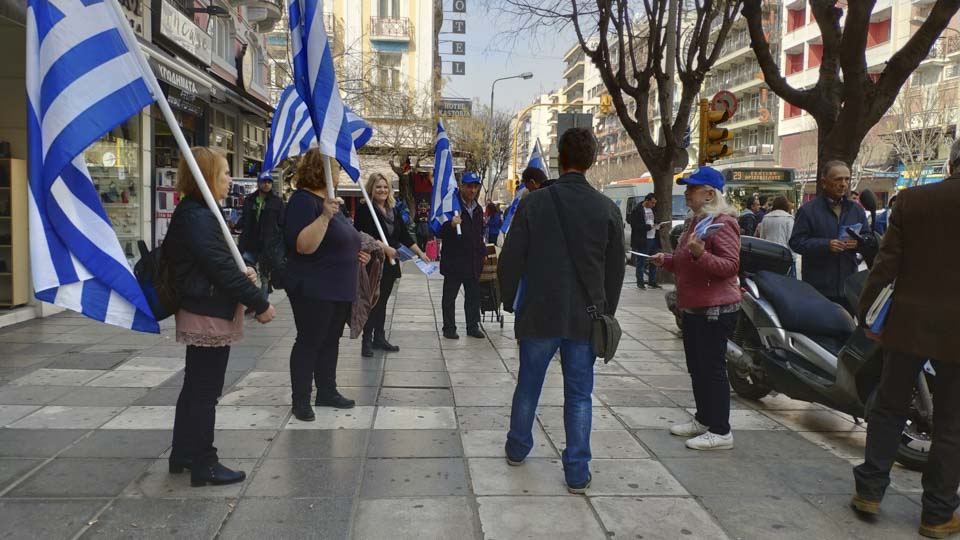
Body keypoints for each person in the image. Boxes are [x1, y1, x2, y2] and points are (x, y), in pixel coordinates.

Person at [499, 127, 625, 494]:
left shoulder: (533, 203)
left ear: (559, 157)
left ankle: (518, 447)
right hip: (585, 317)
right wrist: (606, 312)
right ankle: (576, 470)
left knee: (528, 385)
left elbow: (511, 259)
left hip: (539, 312)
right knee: (579, 394)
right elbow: (615, 271)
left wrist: (509, 301)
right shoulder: (607, 209)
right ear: (593, 160)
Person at [850, 140, 960, 538]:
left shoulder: (912, 201)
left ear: (951, 164)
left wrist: (866, 312)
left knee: (889, 407)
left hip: (907, 326)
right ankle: (938, 513)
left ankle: (870, 491)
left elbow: (884, 266)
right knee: (952, 423)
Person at [165, 147, 276, 487]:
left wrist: (246, 271)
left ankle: (183, 453)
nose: (230, 179)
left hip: (205, 308)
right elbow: (220, 270)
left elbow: (222, 263)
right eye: (225, 172)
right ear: (207, 176)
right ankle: (204, 463)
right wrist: (259, 302)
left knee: (195, 386)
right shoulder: (198, 215)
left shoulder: (199, 212)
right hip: (206, 312)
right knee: (205, 391)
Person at [651, 166, 741, 451]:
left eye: (693, 188)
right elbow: (684, 260)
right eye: (687, 187)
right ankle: (704, 419)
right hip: (692, 307)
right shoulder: (694, 223)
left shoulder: (722, 223)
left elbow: (730, 266)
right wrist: (666, 259)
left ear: (710, 194)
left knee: (712, 369)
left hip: (715, 309)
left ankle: (721, 430)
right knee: (697, 368)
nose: (687, 192)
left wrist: (701, 255)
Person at [283, 148, 372, 421]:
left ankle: (326, 390)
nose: (338, 172)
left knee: (330, 340)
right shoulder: (304, 201)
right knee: (310, 340)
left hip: (338, 286)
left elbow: (343, 238)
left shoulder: (333, 202)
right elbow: (303, 245)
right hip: (314, 287)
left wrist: (356, 252)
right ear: (321, 170)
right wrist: (324, 216)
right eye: (335, 168)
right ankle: (301, 399)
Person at [354, 172, 431, 357]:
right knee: (372, 302)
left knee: (383, 302)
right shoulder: (366, 209)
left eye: (385, 187)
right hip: (373, 263)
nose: (382, 190)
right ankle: (367, 341)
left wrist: (420, 253)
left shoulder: (393, 210)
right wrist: (382, 247)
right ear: (371, 188)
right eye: (378, 186)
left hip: (390, 263)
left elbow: (403, 235)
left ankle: (379, 337)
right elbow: (360, 234)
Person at [789, 160, 876, 312]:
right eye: (838, 179)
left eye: (847, 179)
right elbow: (796, 242)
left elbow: (869, 238)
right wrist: (826, 245)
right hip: (819, 288)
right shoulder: (808, 211)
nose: (843, 184)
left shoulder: (856, 210)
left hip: (849, 286)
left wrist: (859, 243)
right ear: (824, 182)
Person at [438, 172, 487, 340]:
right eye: (469, 186)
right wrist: (451, 225)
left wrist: (482, 252)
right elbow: (439, 231)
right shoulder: (452, 206)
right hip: (454, 261)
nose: (472, 190)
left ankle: (472, 326)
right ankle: (449, 328)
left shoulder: (478, 209)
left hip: (473, 261)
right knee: (449, 298)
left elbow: (479, 234)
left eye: (475, 187)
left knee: (473, 297)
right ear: (461, 187)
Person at [238, 176, 283, 295]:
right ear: (258, 183)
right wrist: (236, 225)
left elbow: (282, 222)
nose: (266, 185)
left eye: (269, 182)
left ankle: (261, 307)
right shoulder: (249, 200)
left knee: (264, 279)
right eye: (264, 182)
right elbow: (245, 219)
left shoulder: (277, 201)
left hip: (267, 246)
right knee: (245, 275)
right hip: (249, 244)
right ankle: (251, 302)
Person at [628, 193, 661, 290]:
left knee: (654, 261)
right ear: (646, 200)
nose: (653, 205)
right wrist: (648, 227)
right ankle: (640, 282)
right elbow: (635, 226)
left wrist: (658, 225)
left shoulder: (653, 209)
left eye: (655, 203)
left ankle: (652, 281)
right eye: (652, 203)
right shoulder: (637, 210)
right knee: (641, 261)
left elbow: (655, 220)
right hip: (643, 239)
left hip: (653, 238)